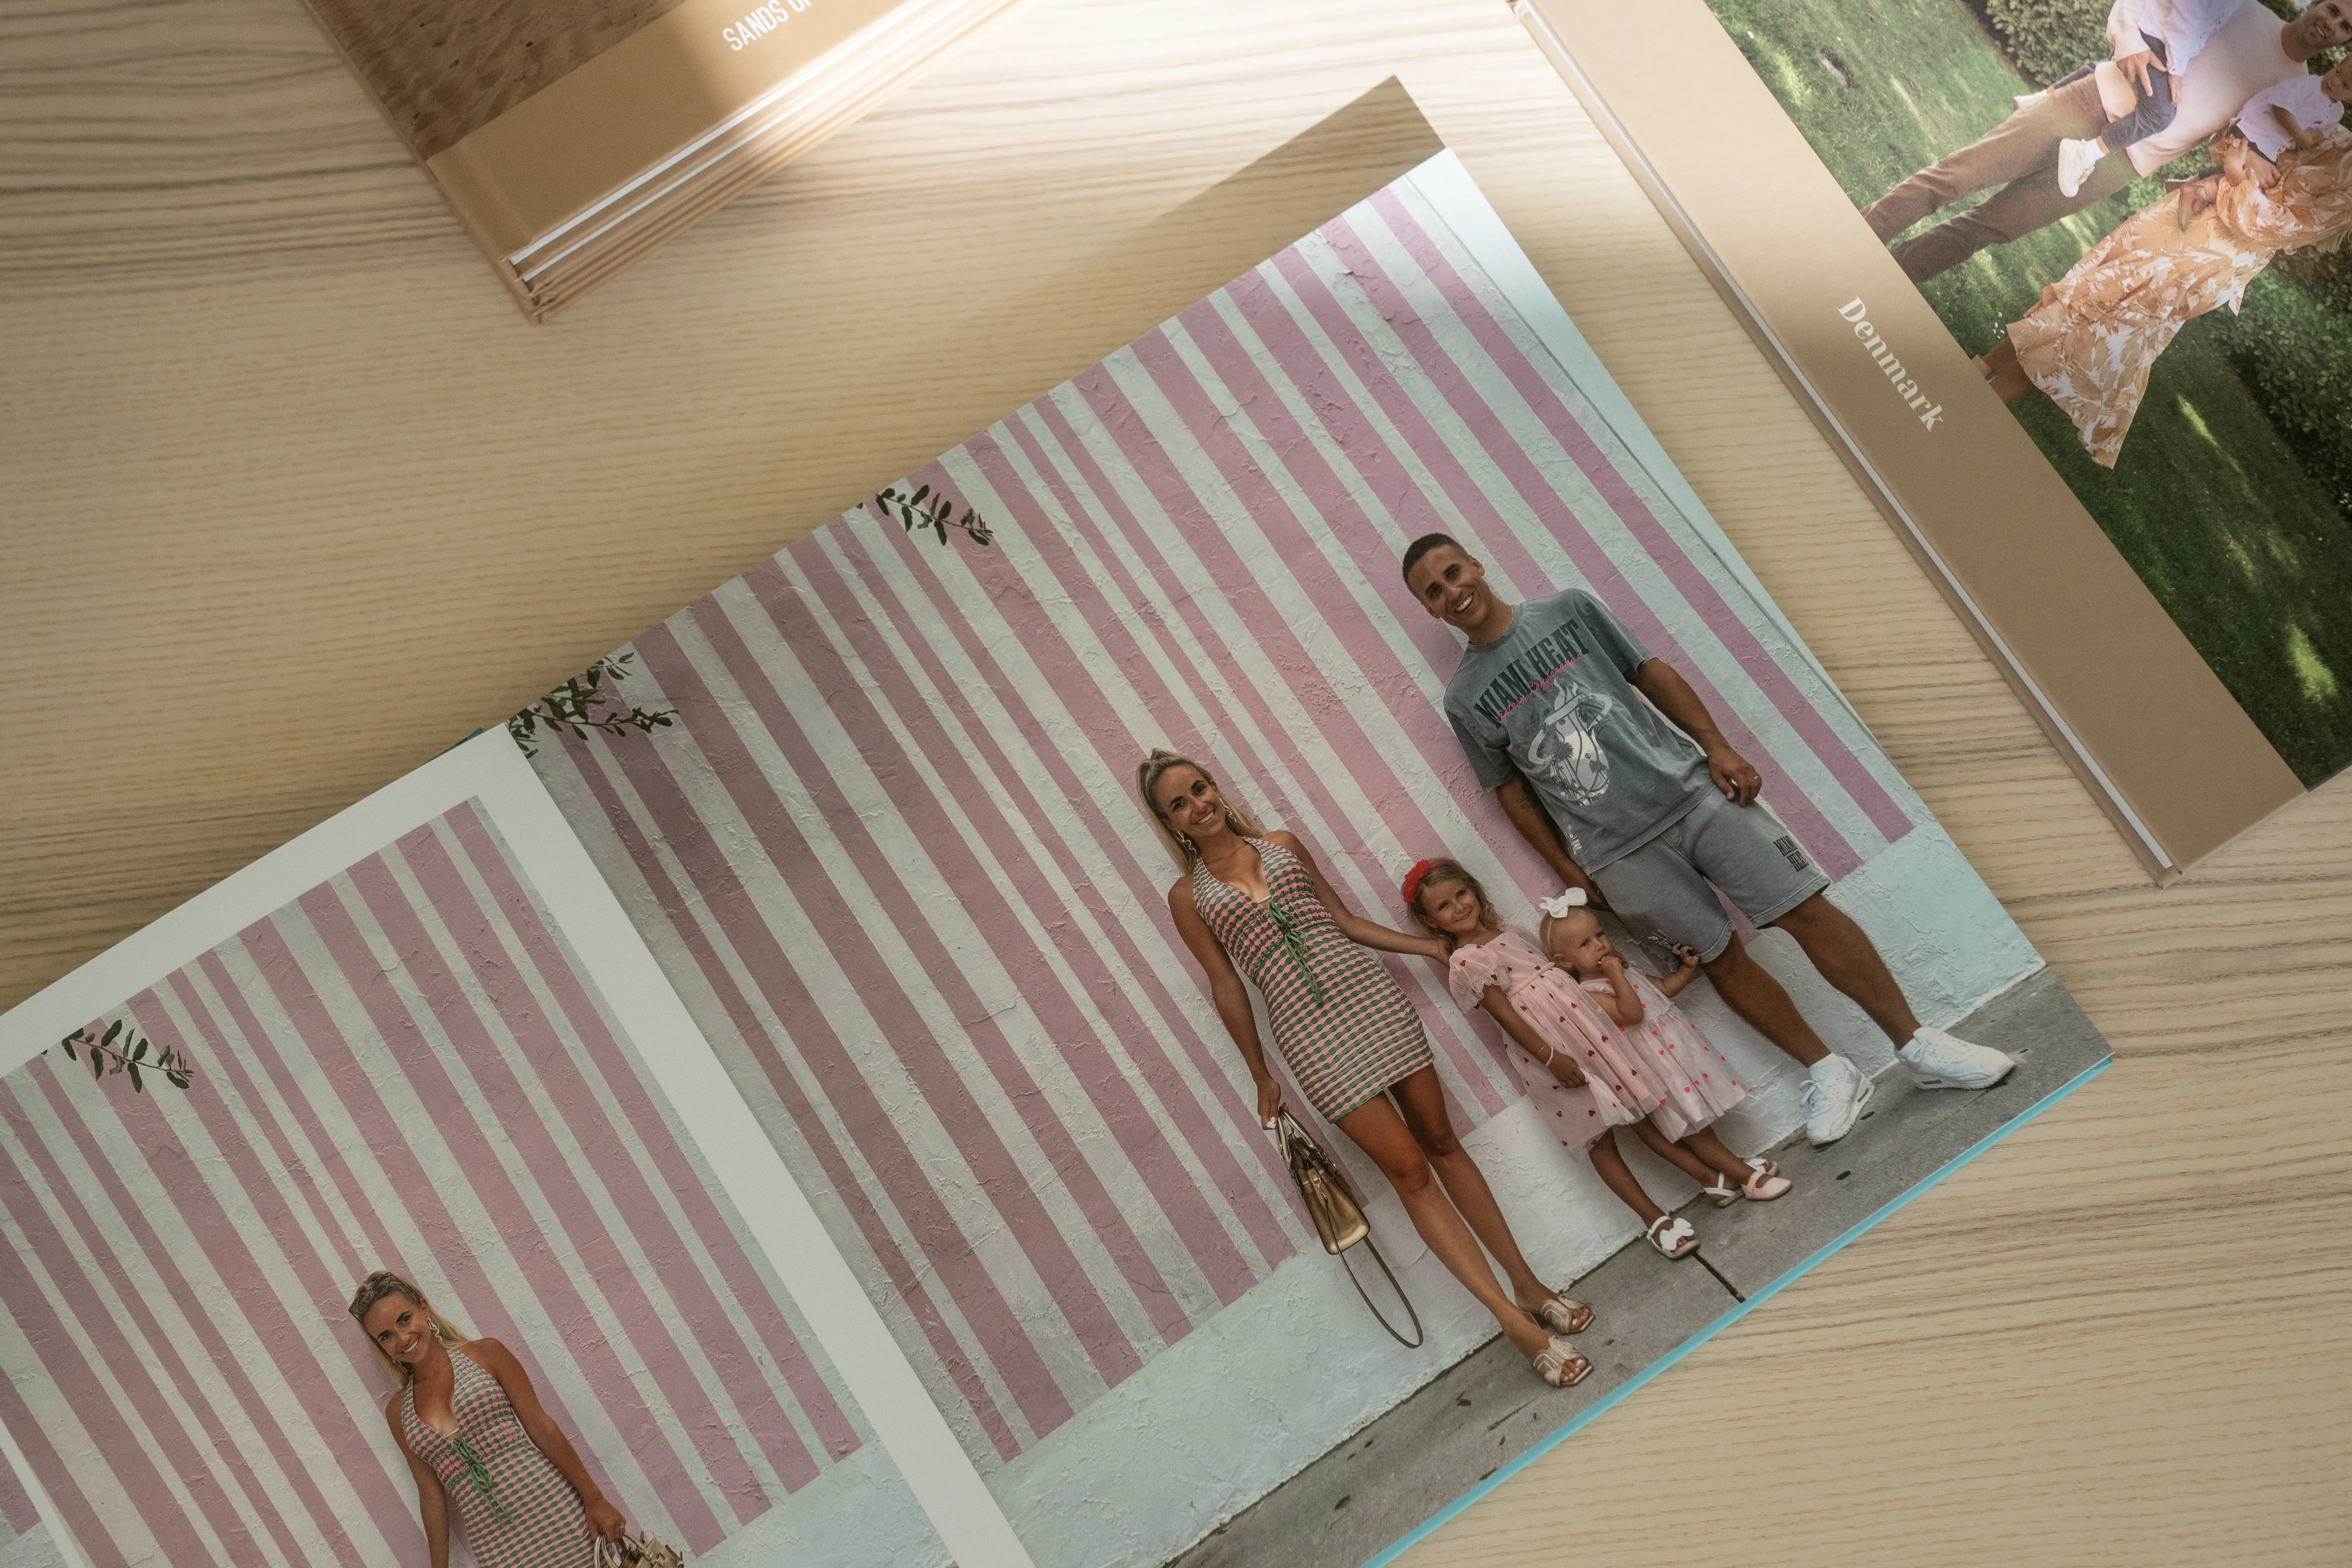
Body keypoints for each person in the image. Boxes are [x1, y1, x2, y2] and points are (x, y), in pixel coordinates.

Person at [1401, 535, 2017, 1149]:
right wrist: (1568, 868)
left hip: (1694, 793)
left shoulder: (1568, 609)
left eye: (1454, 573)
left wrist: (1717, 746)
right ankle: (1831, 1072)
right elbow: (1510, 791)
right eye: (1434, 591)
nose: (1452, 592)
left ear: (1476, 564)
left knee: (1806, 911)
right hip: (1617, 852)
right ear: (1429, 609)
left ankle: (1919, 1045)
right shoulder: (1465, 699)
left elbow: (1649, 671)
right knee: (1720, 960)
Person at [1137, 749, 1596, 1388]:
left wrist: (1429, 947)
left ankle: (1529, 1285)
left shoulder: (1281, 845)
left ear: (1216, 787)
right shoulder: (1189, 897)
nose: (1198, 805)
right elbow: (1227, 986)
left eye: (1200, 788)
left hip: (1372, 1000)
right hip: (1309, 1037)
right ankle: (1513, 1322)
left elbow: (1345, 921)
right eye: (1179, 804)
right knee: (1409, 1170)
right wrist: (1260, 1072)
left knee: (1442, 1141)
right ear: (1170, 823)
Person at [1408, 860, 1789, 1262]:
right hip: (1551, 1053)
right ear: (1431, 921)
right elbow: (1505, 1016)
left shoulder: (1511, 933)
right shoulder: (1467, 960)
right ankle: (1654, 1219)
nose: (1459, 907)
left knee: (1643, 1113)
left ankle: (1712, 1178)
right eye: (1444, 906)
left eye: (1461, 894)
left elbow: (1561, 980)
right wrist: (1551, 1058)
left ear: (1475, 889)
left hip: (1591, 1036)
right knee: (1600, 1142)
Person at [1860, 0, 2350, 283]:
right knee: (1954, 178)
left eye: (2347, 27)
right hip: (2094, 102)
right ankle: (1848, 243)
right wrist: (2127, 39)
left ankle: (1879, 284)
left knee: (1990, 228)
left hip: (2123, 163)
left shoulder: (2305, 90)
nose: (2333, 24)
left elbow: (2238, 147)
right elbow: (2140, 9)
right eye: (2333, 8)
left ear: (2344, 43)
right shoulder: (2242, 11)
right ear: (2316, 2)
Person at [1975, 127, 2352, 465]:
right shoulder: (2328, 129)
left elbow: (2278, 227)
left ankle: (1978, 403)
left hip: (2209, 257)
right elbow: (2225, 138)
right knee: (2081, 294)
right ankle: (1980, 371)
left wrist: (2239, 176)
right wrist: (2246, 156)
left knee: (2095, 326)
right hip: (2180, 218)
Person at [350, 1270, 626, 1568]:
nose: (402, 1338)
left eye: (405, 1319)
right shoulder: (398, 1413)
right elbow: (430, 1493)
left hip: (555, 1513)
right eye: (386, 1336)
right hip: (494, 1545)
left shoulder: (486, 1354)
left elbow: (540, 1426)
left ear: (424, 1309)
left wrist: (595, 1500)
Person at [2233, 55, 2352, 162]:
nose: (2335, 82)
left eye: (2345, 85)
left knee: (2261, 176)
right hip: (2254, 127)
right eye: (2337, 72)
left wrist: (2312, 138)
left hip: (2272, 145)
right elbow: (2280, 108)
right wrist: (2299, 135)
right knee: (2245, 163)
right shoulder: (2309, 85)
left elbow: (2323, 132)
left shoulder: (2337, 112)